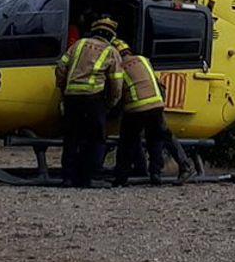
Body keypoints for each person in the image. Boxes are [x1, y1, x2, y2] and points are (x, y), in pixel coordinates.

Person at [111, 38, 194, 186]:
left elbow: (117, 91)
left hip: (136, 107)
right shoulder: (143, 60)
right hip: (156, 104)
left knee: (127, 141)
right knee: (161, 136)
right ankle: (179, 167)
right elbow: (158, 83)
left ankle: (121, 178)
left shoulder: (119, 67)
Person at [55, 16, 124, 187]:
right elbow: (116, 82)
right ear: (111, 36)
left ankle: (67, 177)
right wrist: (111, 103)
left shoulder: (78, 44)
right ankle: (88, 177)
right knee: (96, 139)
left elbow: (61, 68)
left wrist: (63, 89)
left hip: (72, 97)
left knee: (71, 137)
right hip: (93, 98)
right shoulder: (111, 51)